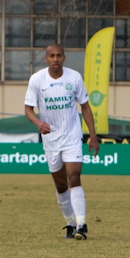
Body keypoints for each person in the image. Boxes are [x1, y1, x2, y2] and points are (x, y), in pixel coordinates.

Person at [24, 43, 99, 240]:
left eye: (59, 55)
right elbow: (28, 109)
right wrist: (38, 123)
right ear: (46, 59)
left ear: (64, 58)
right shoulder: (36, 80)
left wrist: (93, 135)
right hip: (51, 140)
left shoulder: (74, 77)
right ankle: (70, 223)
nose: (55, 59)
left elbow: (85, 107)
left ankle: (82, 224)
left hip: (72, 136)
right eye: (52, 56)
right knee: (60, 185)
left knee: (74, 176)